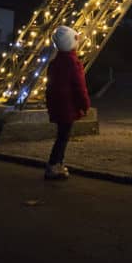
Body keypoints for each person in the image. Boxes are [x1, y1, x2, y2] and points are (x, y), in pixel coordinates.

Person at [44, 25, 90, 180]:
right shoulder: (73, 63)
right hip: (68, 107)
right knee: (63, 138)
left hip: (57, 106)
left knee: (61, 136)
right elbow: (80, 87)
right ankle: (53, 165)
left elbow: (49, 87)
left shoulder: (54, 63)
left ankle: (58, 165)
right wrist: (85, 105)